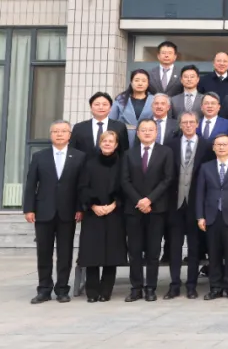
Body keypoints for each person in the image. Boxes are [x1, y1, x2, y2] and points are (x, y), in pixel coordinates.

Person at [23, 121, 85, 304]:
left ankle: (62, 289)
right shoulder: (39, 156)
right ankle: (44, 289)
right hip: (43, 211)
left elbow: (81, 186)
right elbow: (31, 184)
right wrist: (29, 208)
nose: (59, 134)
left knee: (65, 253)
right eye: (55, 131)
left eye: (63, 131)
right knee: (44, 252)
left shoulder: (79, 156)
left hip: (68, 212)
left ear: (69, 135)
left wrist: (80, 208)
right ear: (50, 135)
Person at [121, 118, 176, 302]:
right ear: (137, 133)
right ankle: (136, 288)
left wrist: (149, 199)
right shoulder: (129, 154)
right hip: (134, 209)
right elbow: (125, 180)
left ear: (156, 132)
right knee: (134, 251)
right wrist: (139, 200)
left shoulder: (166, 152)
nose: (147, 133)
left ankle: (151, 287)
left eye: (150, 130)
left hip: (156, 208)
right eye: (143, 130)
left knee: (153, 251)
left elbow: (168, 179)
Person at [165, 112, 211, 300]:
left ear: (197, 124)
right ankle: (174, 284)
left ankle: (191, 285)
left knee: (194, 248)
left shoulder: (207, 146)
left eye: (192, 122)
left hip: (196, 204)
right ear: (180, 125)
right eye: (185, 122)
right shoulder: (171, 145)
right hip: (175, 204)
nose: (189, 125)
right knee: (174, 248)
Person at [197, 134, 228, 300]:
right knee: (214, 254)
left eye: (224, 144)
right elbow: (200, 194)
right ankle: (215, 288)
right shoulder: (206, 167)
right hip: (211, 216)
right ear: (213, 147)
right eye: (218, 145)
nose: (221, 147)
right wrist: (200, 216)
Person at [77, 130, 125, 303]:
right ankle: (92, 291)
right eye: (104, 141)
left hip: (115, 213)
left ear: (116, 145)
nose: (107, 144)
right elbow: (82, 187)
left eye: (111, 141)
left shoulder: (123, 163)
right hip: (93, 214)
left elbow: (125, 186)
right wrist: (93, 205)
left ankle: (106, 291)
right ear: (100, 143)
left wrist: (114, 204)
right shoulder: (89, 163)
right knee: (92, 253)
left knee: (111, 253)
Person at [72, 92, 129, 156]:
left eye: (105, 104)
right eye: (97, 104)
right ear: (91, 107)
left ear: (110, 108)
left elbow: (124, 152)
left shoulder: (120, 127)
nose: (101, 107)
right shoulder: (79, 127)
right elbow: (72, 151)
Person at [109, 69, 154, 147]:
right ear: (131, 82)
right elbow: (111, 121)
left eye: (143, 81)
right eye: (136, 80)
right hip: (124, 137)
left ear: (148, 83)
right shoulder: (121, 99)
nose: (140, 83)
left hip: (148, 137)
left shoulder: (155, 100)